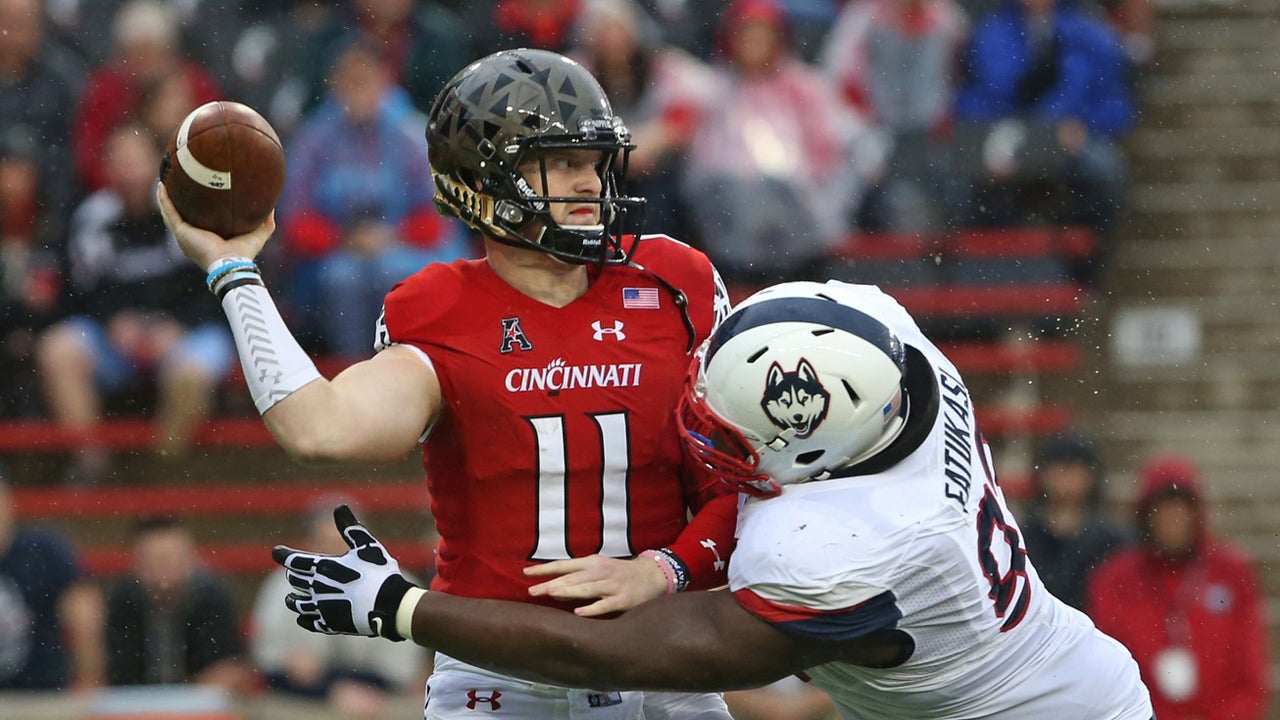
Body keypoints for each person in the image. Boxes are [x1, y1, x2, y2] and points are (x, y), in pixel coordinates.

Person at [158, 47, 738, 719]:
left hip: (662, 664)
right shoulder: (438, 307)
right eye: (561, 162)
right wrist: (234, 271)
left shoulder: (673, 282)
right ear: (482, 179)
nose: (589, 183)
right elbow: (319, 429)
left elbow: (739, 488)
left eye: (593, 160)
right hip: (501, 682)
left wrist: (662, 568)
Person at [273, 280, 1155, 719]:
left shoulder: (839, 548)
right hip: (1073, 676)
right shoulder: (893, 358)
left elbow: (611, 659)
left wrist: (406, 610)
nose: (698, 433)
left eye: (725, 435)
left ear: (810, 450)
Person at [37, 122, 235, 483]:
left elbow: (215, 284)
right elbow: (77, 292)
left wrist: (176, 327)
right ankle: (90, 465)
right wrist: (113, 321)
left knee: (190, 376)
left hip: (185, 331)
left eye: (135, 159)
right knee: (58, 350)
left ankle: (164, 472)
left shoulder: (187, 213)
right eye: (118, 159)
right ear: (105, 167)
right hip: (112, 337)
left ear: (157, 163)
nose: (127, 169)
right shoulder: (91, 218)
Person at [277, 39, 471, 359]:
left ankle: (405, 363)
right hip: (335, 253)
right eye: (348, 80)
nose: (357, 90)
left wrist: (391, 236)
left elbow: (441, 215)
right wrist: (343, 238)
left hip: (406, 248)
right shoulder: (314, 140)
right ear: (334, 84)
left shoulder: (413, 135)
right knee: (343, 278)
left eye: (365, 79)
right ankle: (350, 367)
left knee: (391, 273)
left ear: (385, 79)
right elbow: (295, 219)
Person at [1087, 453, 1270, 719]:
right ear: (1146, 515)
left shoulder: (1231, 572)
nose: (1173, 518)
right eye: (1163, 508)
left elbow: (1250, 671)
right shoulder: (1115, 580)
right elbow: (1107, 675)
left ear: (1197, 513)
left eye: (1181, 508)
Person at [251, 497, 428, 718]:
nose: (337, 551)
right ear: (310, 543)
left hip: (380, 700)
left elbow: (402, 671)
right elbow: (270, 663)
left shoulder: (398, 584)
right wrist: (330, 688)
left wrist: (337, 684)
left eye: (344, 543)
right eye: (325, 542)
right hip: (303, 701)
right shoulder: (282, 585)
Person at [104, 516, 249, 690]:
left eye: (173, 558)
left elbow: (228, 669)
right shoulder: (122, 601)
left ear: (191, 559)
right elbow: (115, 672)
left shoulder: (213, 598)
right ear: (137, 563)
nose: (164, 568)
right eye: (156, 560)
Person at [0, 467, 105, 690]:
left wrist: (90, 679)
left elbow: (85, 617)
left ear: (10, 501)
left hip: (42, 692)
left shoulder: (43, 549)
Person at [1018, 433, 1132, 611]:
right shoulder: (1022, 539)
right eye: (1058, 469)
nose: (1065, 478)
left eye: (1073, 469)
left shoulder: (1113, 542)